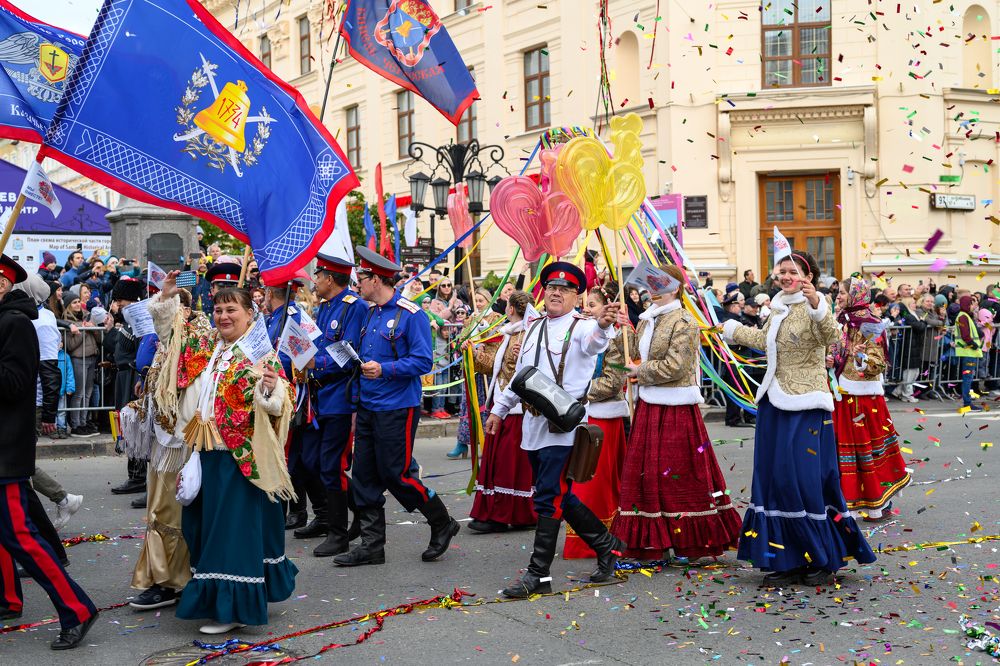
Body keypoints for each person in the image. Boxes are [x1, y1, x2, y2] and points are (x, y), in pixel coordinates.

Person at [150, 270, 297, 634]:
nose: (223, 316)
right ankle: (229, 594)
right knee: (203, 529)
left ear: (250, 314)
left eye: (232, 309)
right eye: (218, 310)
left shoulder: (260, 354)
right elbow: (172, 335)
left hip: (239, 458)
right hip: (204, 453)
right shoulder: (208, 346)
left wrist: (269, 390)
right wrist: (168, 297)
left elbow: (280, 403)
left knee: (230, 535)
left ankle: (232, 609)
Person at [722, 252, 875, 586]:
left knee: (802, 480)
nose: (786, 275)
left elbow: (831, 336)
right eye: (783, 270)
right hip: (774, 400)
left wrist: (818, 302)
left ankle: (821, 556)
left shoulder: (816, 305)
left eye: (794, 271)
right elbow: (766, 341)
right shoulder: (778, 306)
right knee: (774, 478)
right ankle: (787, 557)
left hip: (806, 402)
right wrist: (731, 328)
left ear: (808, 275)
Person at [484, 262, 623, 598]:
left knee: (548, 496)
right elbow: (521, 376)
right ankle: (609, 546)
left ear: (577, 296)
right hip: (533, 423)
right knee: (560, 495)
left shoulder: (581, 327)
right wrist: (499, 411)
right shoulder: (532, 327)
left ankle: (539, 575)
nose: (556, 293)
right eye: (551, 289)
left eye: (565, 290)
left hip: (564, 425)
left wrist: (603, 325)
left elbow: (595, 343)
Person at [334, 247, 460, 567]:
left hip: (397, 406)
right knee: (363, 476)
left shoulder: (411, 314)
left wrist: (385, 369)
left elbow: (423, 361)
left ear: (375, 279)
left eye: (360, 278)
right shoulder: (370, 311)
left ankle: (441, 521)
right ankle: (372, 545)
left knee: (397, 474)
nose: (356, 284)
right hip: (368, 404)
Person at [0, 253, 98, 649]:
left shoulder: (14, 323)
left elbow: (13, 384)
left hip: (4, 452)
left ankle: (77, 608)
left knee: (21, 536)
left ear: (4, 283)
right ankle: (8, 597)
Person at [611, 266, 742, 562]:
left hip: (675, 409)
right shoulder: (647, 320)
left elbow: (677, 366)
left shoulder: (683, 320)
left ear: (676, 288)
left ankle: (689, 543)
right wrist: (621, 328)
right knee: (648, 476)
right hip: (649, 405)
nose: (654, 288)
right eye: (652, 283)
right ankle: (651, 544)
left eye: (662, 284)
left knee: (677, 477)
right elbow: (632, 353)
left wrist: (639, 371)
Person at [129, 289, 207, 611]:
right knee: (159, 510)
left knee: (169, 512)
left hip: (179, 441)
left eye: (174, 306)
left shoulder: (193, 337)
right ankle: (165, 576)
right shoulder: (168, 342)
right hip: (162, 440)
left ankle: (171, 580)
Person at [299, 254, 365, 557]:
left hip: (341, 396)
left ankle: (338, 533)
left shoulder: (354, 307)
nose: (315, 281)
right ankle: (361, 512)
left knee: (331, 466)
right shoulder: (324, 308)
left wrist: (317, 362)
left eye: (318, 275)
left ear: (330, 278)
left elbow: (348, 355)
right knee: (314, 462)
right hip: (320, 395)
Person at [830, 277, 911, 522]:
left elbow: (877, 364)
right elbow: (834, 352)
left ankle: (880, 502)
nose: (839, 297)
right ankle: (848, 502)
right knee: (843, 452)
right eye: (838, 293)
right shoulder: (841, 321)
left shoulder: (870, 323)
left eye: (842, 293)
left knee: (869, 451)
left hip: (865, 400)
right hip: (841, 396)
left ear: (856, 295)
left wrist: (860, 358)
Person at [564, 284, 630, 560]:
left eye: (593, 304)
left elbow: (615, 381)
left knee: (596, 481)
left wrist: (577, 391)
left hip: (604, 416)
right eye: (585, 304)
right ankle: (584, 540)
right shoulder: (577, 333)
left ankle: (602, 538)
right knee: (579, 478)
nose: (587, 309)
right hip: (582, 414)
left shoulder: (616, 338)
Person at [468, 290, 536, 533]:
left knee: (510, 465)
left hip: (516, 409)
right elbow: (494, 368)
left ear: (511, 309)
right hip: (501, 406)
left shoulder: (527, 335)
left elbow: (526, 371)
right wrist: (475, 355)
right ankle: (495, 511)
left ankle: (512, 513)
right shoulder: (508, 334)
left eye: (507, 305)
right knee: (498, 463)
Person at [450, 288, 502, 459]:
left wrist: (485, 335)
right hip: (471, 367)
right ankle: (463, 442)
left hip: (486, 367)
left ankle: (487, 440)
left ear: (488, 300)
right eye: (476, 300)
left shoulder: (495, 317)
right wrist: (464, 342)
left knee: (485, 404)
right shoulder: (471, 318)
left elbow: (497, 341)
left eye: (481, 300)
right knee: (468, 403)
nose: (478, 304)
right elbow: (461, 339)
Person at [109, 277, 149, 495]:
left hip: (133, 377)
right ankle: (134, 474)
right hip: (122, 377)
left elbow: (141, 352)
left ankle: (139, 476)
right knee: (126, 425)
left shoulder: (140, 321)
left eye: (121, 302)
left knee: (135, 426)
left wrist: (140, 379)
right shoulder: (125, 320)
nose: (118, 305)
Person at [955, 294, 984, 411]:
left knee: (968, 377)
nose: (974, 306)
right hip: (968, 352)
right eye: (972, 303)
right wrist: (974, 345)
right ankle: (967, 402)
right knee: (968, 378)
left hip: (969, 352)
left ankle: (967, 401)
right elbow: (965, 335)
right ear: (967, 304)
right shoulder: (963, 317)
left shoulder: (965, 316)